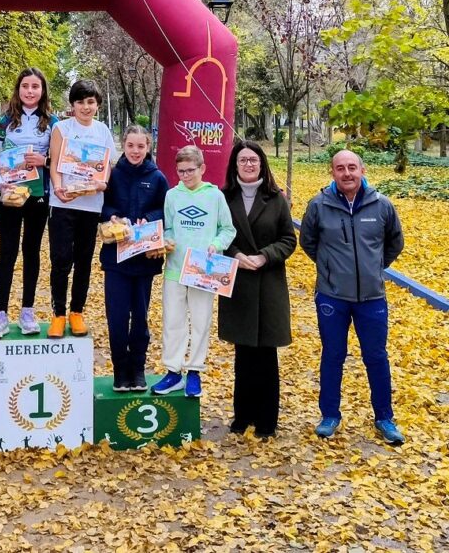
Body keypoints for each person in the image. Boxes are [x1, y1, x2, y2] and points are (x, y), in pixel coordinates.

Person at [300, 149, 405, 445]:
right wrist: (331, 269)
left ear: (362, 169)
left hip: (372, 298)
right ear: (332, 172)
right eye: (340, 168)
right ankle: (330, 415)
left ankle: (385, 417)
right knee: (333, 356)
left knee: (376, 357)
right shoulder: (319, 206)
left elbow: (395, 242)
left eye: (352, 168)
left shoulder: (382, 205)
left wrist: (374, 267)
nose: (347, 173)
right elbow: (308, 242)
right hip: (332, 297)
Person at [218, 141, 296, 438]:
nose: (248, 165)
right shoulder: (224, 197)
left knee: (266, 354)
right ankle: (242, 416)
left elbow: (289, 239)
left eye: (253, 160)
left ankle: (267, 419)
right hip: (238, 280)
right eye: (242, 160)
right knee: (243, 354)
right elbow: (219, 233)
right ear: (234, 165)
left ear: (262, 163)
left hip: (268, 284)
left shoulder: (276, 199)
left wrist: (265, 255)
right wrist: (236, 254)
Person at [152, 145, 235, 398]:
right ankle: (173, 371)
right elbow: (168, 229)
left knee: (200, 322)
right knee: (173, 322)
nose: (185, 176)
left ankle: (195, 372)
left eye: (190, 171)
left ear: (202, 169)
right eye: (180, 171)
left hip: (203, 271)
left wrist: (216, 245)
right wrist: (166, 241)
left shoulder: (215, 196)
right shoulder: (172, 196)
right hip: (176, 270)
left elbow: (228, 229)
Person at [0, 68, 58, 338]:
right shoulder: (4, 121)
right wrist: (0, 183)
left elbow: (60, 160)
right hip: (10, 196)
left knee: (32, 252)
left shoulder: (52, 122)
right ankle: (0, 314)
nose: (29, 91)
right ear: (18, 89)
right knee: (7, 252)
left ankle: (27, 311)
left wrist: (45, 161)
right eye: (25, 86)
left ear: (42, 91)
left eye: (35, 86)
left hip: (38, 195)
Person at [100, 125, 169, 393]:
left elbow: (165, 210)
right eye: (130, 146)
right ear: (123, 146)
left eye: (141, 146)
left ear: (148, 147)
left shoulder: (158, 178)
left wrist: (149, 219)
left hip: (144, 259)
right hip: (116, 259)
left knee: (139, 317)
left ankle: (138, 370)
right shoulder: (113, 174)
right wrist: (113, 215)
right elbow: (102, 206)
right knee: (116, 318)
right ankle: (120, 370)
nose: (135, 151)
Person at [48, 79, 114, 339]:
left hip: (91, 205)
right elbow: (54, 164)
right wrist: (57, 187)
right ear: (72, 105)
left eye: (90, 102)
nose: (85, 107)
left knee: (84, 261)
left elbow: (107, 166)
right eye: (80, 102)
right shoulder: (61, 128)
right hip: (63, 203)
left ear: (97, 104)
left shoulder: (103, 131)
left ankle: (77, 312)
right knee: (61, 260)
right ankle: (58, 314)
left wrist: (102, 184)